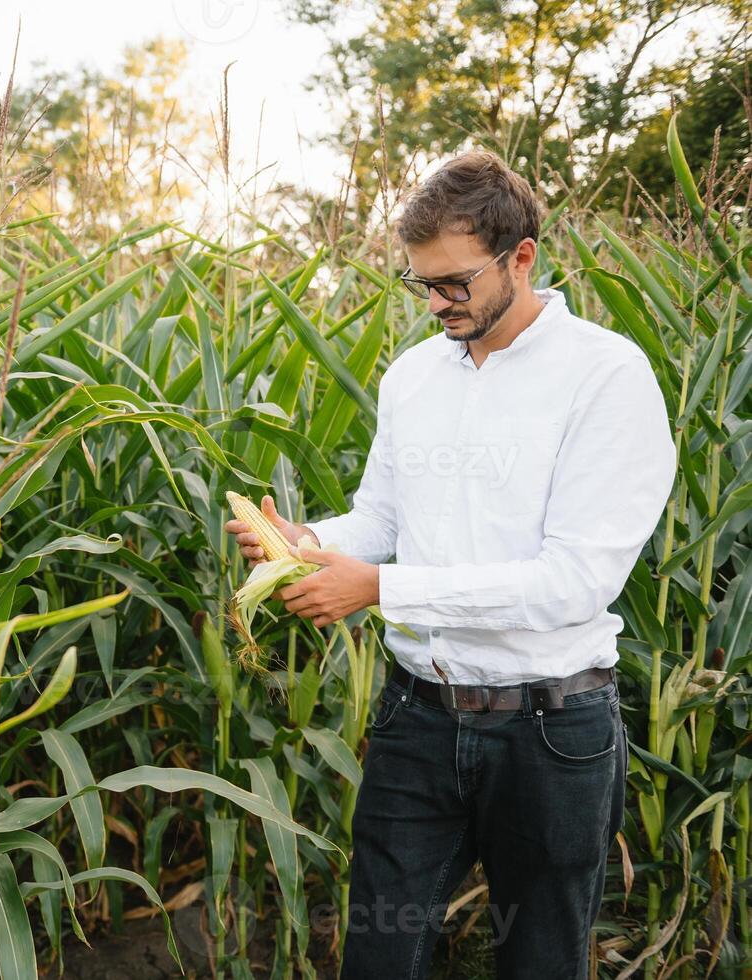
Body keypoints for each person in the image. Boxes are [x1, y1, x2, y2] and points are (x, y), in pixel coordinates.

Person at [223, 150, 676, 979]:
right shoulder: (413, 378)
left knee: (540, 961)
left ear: (522, 257)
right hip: (417, 723)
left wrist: (381, 589)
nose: (435, 304)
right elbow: (382, 520)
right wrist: (307, 544)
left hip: (550, 733)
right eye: (421, 285)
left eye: (454, 284)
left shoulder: (606, 376)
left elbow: (573, 582)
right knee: (378, 957)